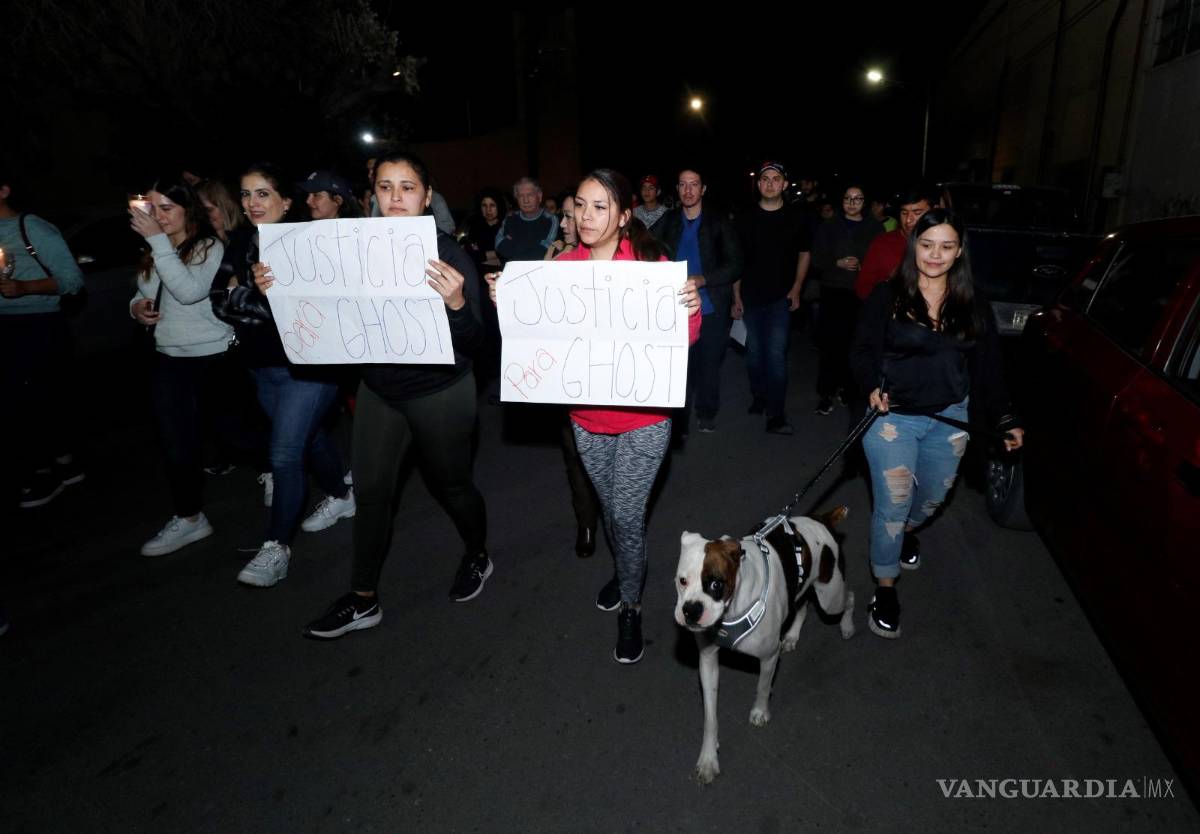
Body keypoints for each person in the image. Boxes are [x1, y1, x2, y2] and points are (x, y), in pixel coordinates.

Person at [489, 168, 702, 664]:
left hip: (645, 420)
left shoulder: (650, 264)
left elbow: (685, 339)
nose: (586, 216)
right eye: (579, 206)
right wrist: (509, 303)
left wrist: (690, 308)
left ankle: (631, 604)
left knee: (625, 515)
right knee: (612, 510)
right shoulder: (561, 268)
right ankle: (626, 570)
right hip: (586, 420)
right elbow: (534, 339)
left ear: (624, 215)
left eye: (600, 206)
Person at [302, 150, 491, 640]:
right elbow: (327, 312)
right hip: (379, 391)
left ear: (426, 197)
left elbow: (479, 342)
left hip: (440, 392)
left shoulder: (449, 255)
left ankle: (477, 554)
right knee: (370, 494)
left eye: (408, 187)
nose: (395, 197)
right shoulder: (353, 250)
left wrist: (456, 304)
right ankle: (363, 597)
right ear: (373, 195)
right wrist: (279, 291)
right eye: (385, 187)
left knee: (452, 486)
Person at [850, 208, 1024, 640]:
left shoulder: (973, 303)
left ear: (959, 251)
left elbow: (990, 367)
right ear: (914, 245)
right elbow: (862, 351)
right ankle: (885, 586)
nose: (935, 254)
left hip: (951, 418)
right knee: (893, 503)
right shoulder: (888, 295)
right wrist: (871, 386)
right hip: (893, 420)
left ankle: (906, 532)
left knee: (930, 499)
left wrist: (1005, 416)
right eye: (927, 245)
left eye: (946, 246)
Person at [210, 162, 355, 588]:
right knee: (310, 438)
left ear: (286, 202)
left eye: (263, 194)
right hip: (261, 367)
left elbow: (312, 308)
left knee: (285, 454)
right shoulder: (241, 240)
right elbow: (217, 300)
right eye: (246, 194)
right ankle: (343, 494)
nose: (252, 203)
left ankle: (276, 546)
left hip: (309, 366)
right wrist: (256, 296)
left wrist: (247, 294)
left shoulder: (306, 241)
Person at [129, 177, 232, 556]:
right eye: (152, 209)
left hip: (214, 357)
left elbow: (189, 292)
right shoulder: (156, 249)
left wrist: (158, 242)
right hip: (169, 358)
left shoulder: (208, 246)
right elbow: (143, 291)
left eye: (167, 208)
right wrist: (136, 308)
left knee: (238, 436)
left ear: (188, 209)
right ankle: (189, 517)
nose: (158, 216)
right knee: (176, 444)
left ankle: (279, 471)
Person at [0, 170, 86, 508]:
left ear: (4, 190)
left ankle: (44, 472)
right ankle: (62, 460)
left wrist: (24, 287)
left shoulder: (33, 228)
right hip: (4, 326)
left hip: (37, 323)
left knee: (33, 401)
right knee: (17, 402)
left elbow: (72, 280)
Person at [653, 167, 743, 433]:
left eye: (694, 184)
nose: (688, 190)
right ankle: (679, 420)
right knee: (680, 367)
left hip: (711, 307)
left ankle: (706, 412)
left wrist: (704, 279)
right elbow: (644, 244)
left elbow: (736, 264)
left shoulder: (719, 222)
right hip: (677, 307)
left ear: (703, 189)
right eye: (683, 184)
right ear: (677, 189)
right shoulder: (668, 220)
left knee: (709, 364)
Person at [732, 161, 811, 435]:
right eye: (765, 178)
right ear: (758, 184)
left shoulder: (796, 217)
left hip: (781, 298)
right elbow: (737, 260)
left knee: (776, 355)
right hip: (751, 298)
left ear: (784, 184)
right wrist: (736, 296)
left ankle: (776, 415)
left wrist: (797, 288)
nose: (770, 183)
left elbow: (804, 254)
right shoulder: (744, 218)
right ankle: (759, 395)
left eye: (776, 178)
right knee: (754, 355)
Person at [810, 184, 884, 415]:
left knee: (857, 344)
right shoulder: (828, 226)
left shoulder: (875, 227)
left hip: (862, 293)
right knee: (831, 344)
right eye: (847, 198)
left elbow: (880, 261)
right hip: (833, 291)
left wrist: (864, 267)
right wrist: (836, 262)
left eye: (857, 198)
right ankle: (826, 393)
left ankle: (851, 390)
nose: (852, 203)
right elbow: (816, 258)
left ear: (865, 201)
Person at [855, 187, 934, 300]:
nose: (908, 220)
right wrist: (890, 282)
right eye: (904, 213)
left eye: (917, 213)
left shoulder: (943, 245)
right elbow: (862, 288)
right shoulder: (882, 243)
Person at [495, 176, 559, 264]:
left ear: (539, 196)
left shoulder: (550, 219)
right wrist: (532, 246)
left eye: (530, 195)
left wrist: (513, 244)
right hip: (510, 270)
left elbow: (543, 251)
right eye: (521, 196)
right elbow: (499, 246)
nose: (526, 200)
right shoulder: (510, 218)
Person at [298, 169, 362, 220]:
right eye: (307, 195)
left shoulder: (356, 230)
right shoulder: (304, 229)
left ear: (338, 200)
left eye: (316, 195)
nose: (308, 201)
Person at [196, 179, 243, 243]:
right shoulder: (199, 241)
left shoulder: (246, 239)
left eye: (209, 210)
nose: (203, 215)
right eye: (198, 211)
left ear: (226, 207)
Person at [543, 193, 577, 260]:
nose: (548, 210)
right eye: (546, 207)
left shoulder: (556, 222)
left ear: (558, 211)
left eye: (551, 208)